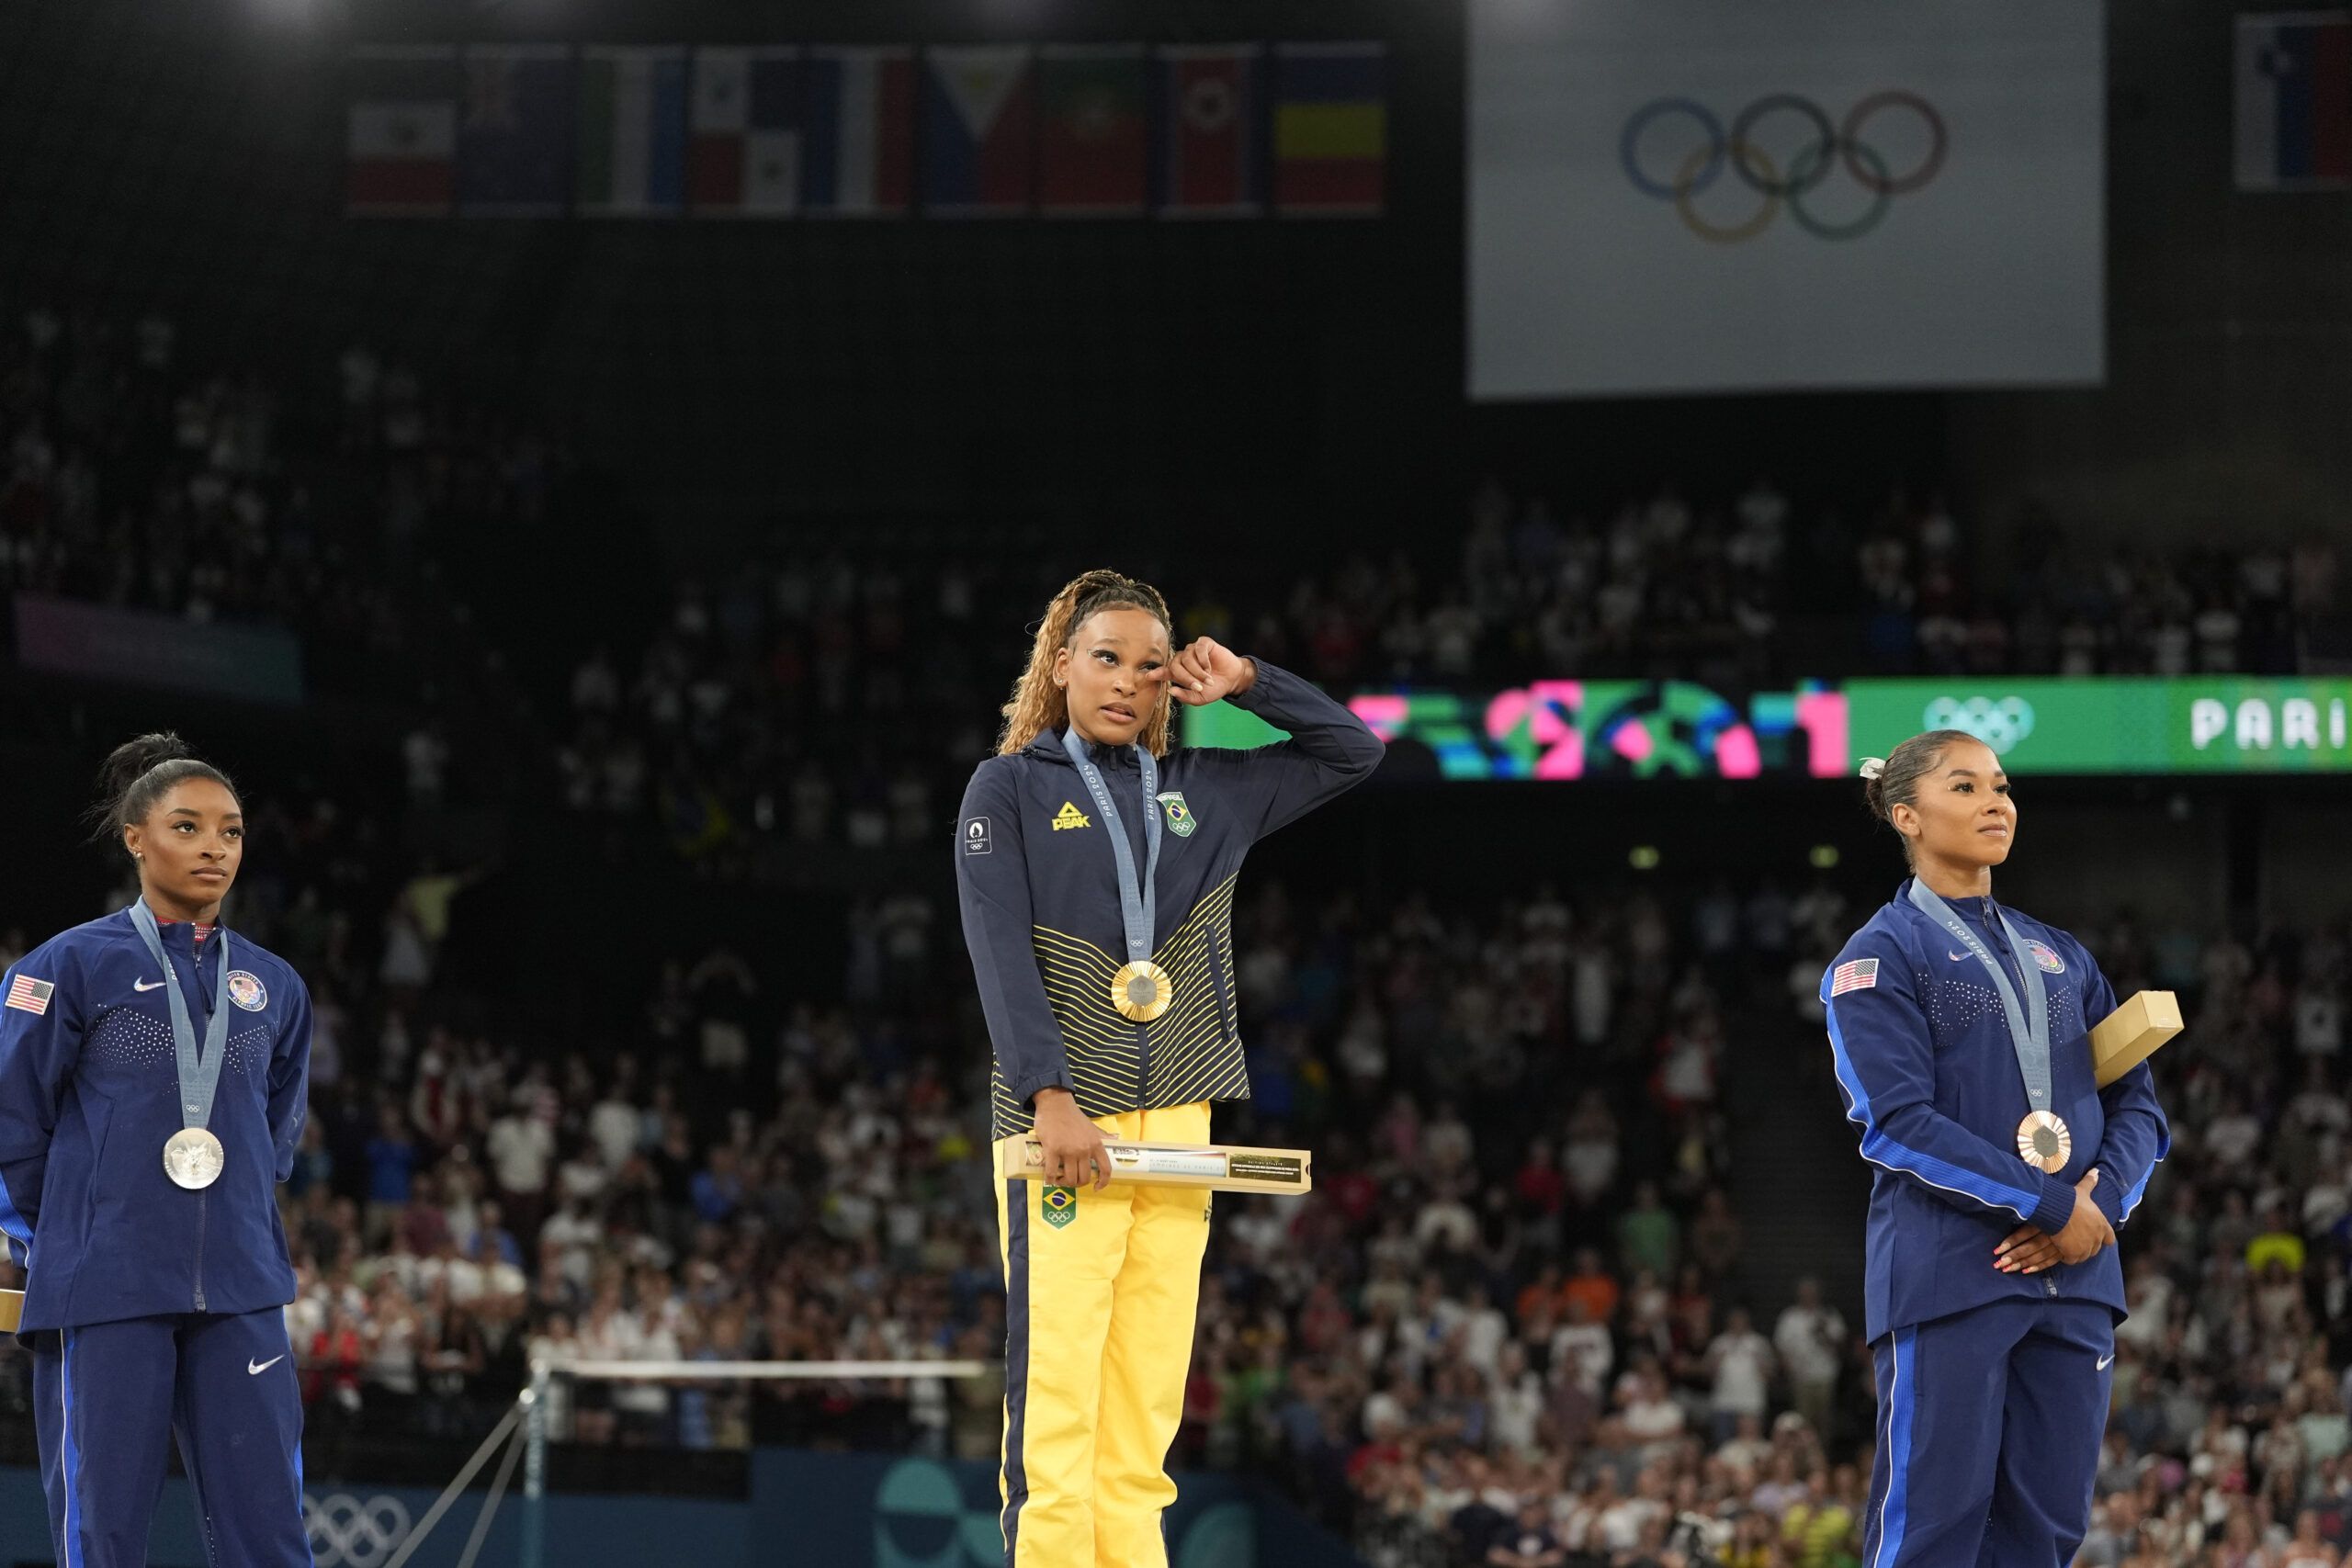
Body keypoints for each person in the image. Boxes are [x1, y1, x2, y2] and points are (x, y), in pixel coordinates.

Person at [956, 570, 1383, 1565]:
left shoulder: (1210, 790)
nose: (1127, 684)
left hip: (1179, 1120)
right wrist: (1048, 1100)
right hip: (1063, 1120)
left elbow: (1354, 753)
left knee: (1146, 1399)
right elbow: (997, 952)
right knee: (1059, 1393)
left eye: (1151, 669)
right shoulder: (1009, 788)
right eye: (1105, 658)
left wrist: (1248, 684)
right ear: (1061, 665)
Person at [1821, 728, 2169, 1566]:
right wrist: (2051, 1203)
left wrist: (2095, 1211)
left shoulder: (2062, 955)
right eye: (1967, 786)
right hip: (1951, 1274)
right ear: (1906, 813)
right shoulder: (1878, 957)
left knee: (2046, 1530)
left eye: (2003, 786)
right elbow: (1895, 1122)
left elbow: (2141, 1108)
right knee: (1932, 1528)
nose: (1996, 803)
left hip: (2079, 1276)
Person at [0, 733, 314, 1566]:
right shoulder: (66, 966)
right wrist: (69, 1231)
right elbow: (11, 1123)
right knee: (102, 1535)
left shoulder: (274, 986)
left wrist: (233, 1214)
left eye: (232, 830)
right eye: (188, 826)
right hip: (106, 1284)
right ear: (136, 836)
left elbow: (277, 1132)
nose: (214, 845)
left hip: (241, 1287)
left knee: (272, 1535)